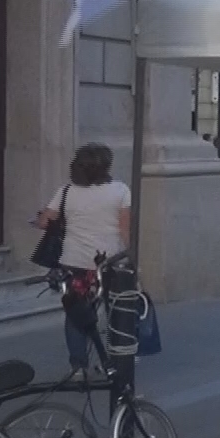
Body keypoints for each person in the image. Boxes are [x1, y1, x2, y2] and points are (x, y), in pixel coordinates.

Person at [37, 144, 132, 377]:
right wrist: (132, 259)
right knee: (115, 311)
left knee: (76, 313)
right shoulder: (120, 190)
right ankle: (115, 360)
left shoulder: (66, 191)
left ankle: (78, 367)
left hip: (74, 260)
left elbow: (44, 221)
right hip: (109, 261)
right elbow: (124, 229)